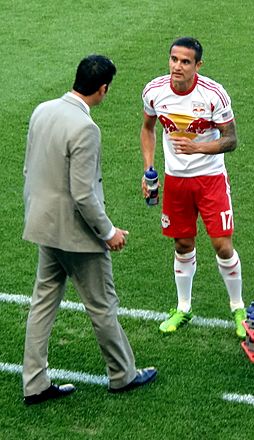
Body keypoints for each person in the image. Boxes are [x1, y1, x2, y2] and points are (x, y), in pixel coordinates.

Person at [22, 54, 157, 405]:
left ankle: (34, 382)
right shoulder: (86, 128)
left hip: (44, 226)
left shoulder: (42, 109)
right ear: (103, 89)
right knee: (102, 306)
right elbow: (83, 194)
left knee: (42, 303)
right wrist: (108, 232)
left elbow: (29, 169)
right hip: (76, 235)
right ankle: (122, 375)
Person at [141, 37, 246, 338]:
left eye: (185, 61)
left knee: (222, 245)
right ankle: (183, 308)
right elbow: (148, 128)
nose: (177, 66)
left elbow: (231, 140)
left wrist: (197, 149)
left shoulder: (214, 94)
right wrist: (149, 168)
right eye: (174, 59)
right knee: (182, 245)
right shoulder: (154, 91)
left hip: (210, 179)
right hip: (176, 181)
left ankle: (237, 307)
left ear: (197, 65)